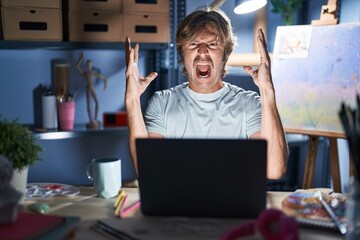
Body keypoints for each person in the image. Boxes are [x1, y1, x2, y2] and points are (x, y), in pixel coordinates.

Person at [125, 8, 288, 179]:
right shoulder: (161, 103)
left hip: (233, 204)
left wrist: (267, 91)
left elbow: (274, 169)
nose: (202, 52)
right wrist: (132, 100)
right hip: (179, 204)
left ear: (226, 54)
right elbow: (148, 171)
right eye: (194, 44)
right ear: (182, 53)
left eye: (212, 44)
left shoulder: (249, 104)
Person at [77, 53, 107, 129]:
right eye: (88, 64)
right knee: (89, 104)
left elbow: (104, 77)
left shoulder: (93, 73)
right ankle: (91, 119)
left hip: (91, 86)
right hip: (88, 87)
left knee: (96, 102)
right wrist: (81, 58)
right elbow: (77, 66)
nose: (89, 65)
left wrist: (105, 85)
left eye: (90, 64)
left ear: (92, 64)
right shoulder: (85, 73)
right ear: (86, 65)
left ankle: (95, 118)